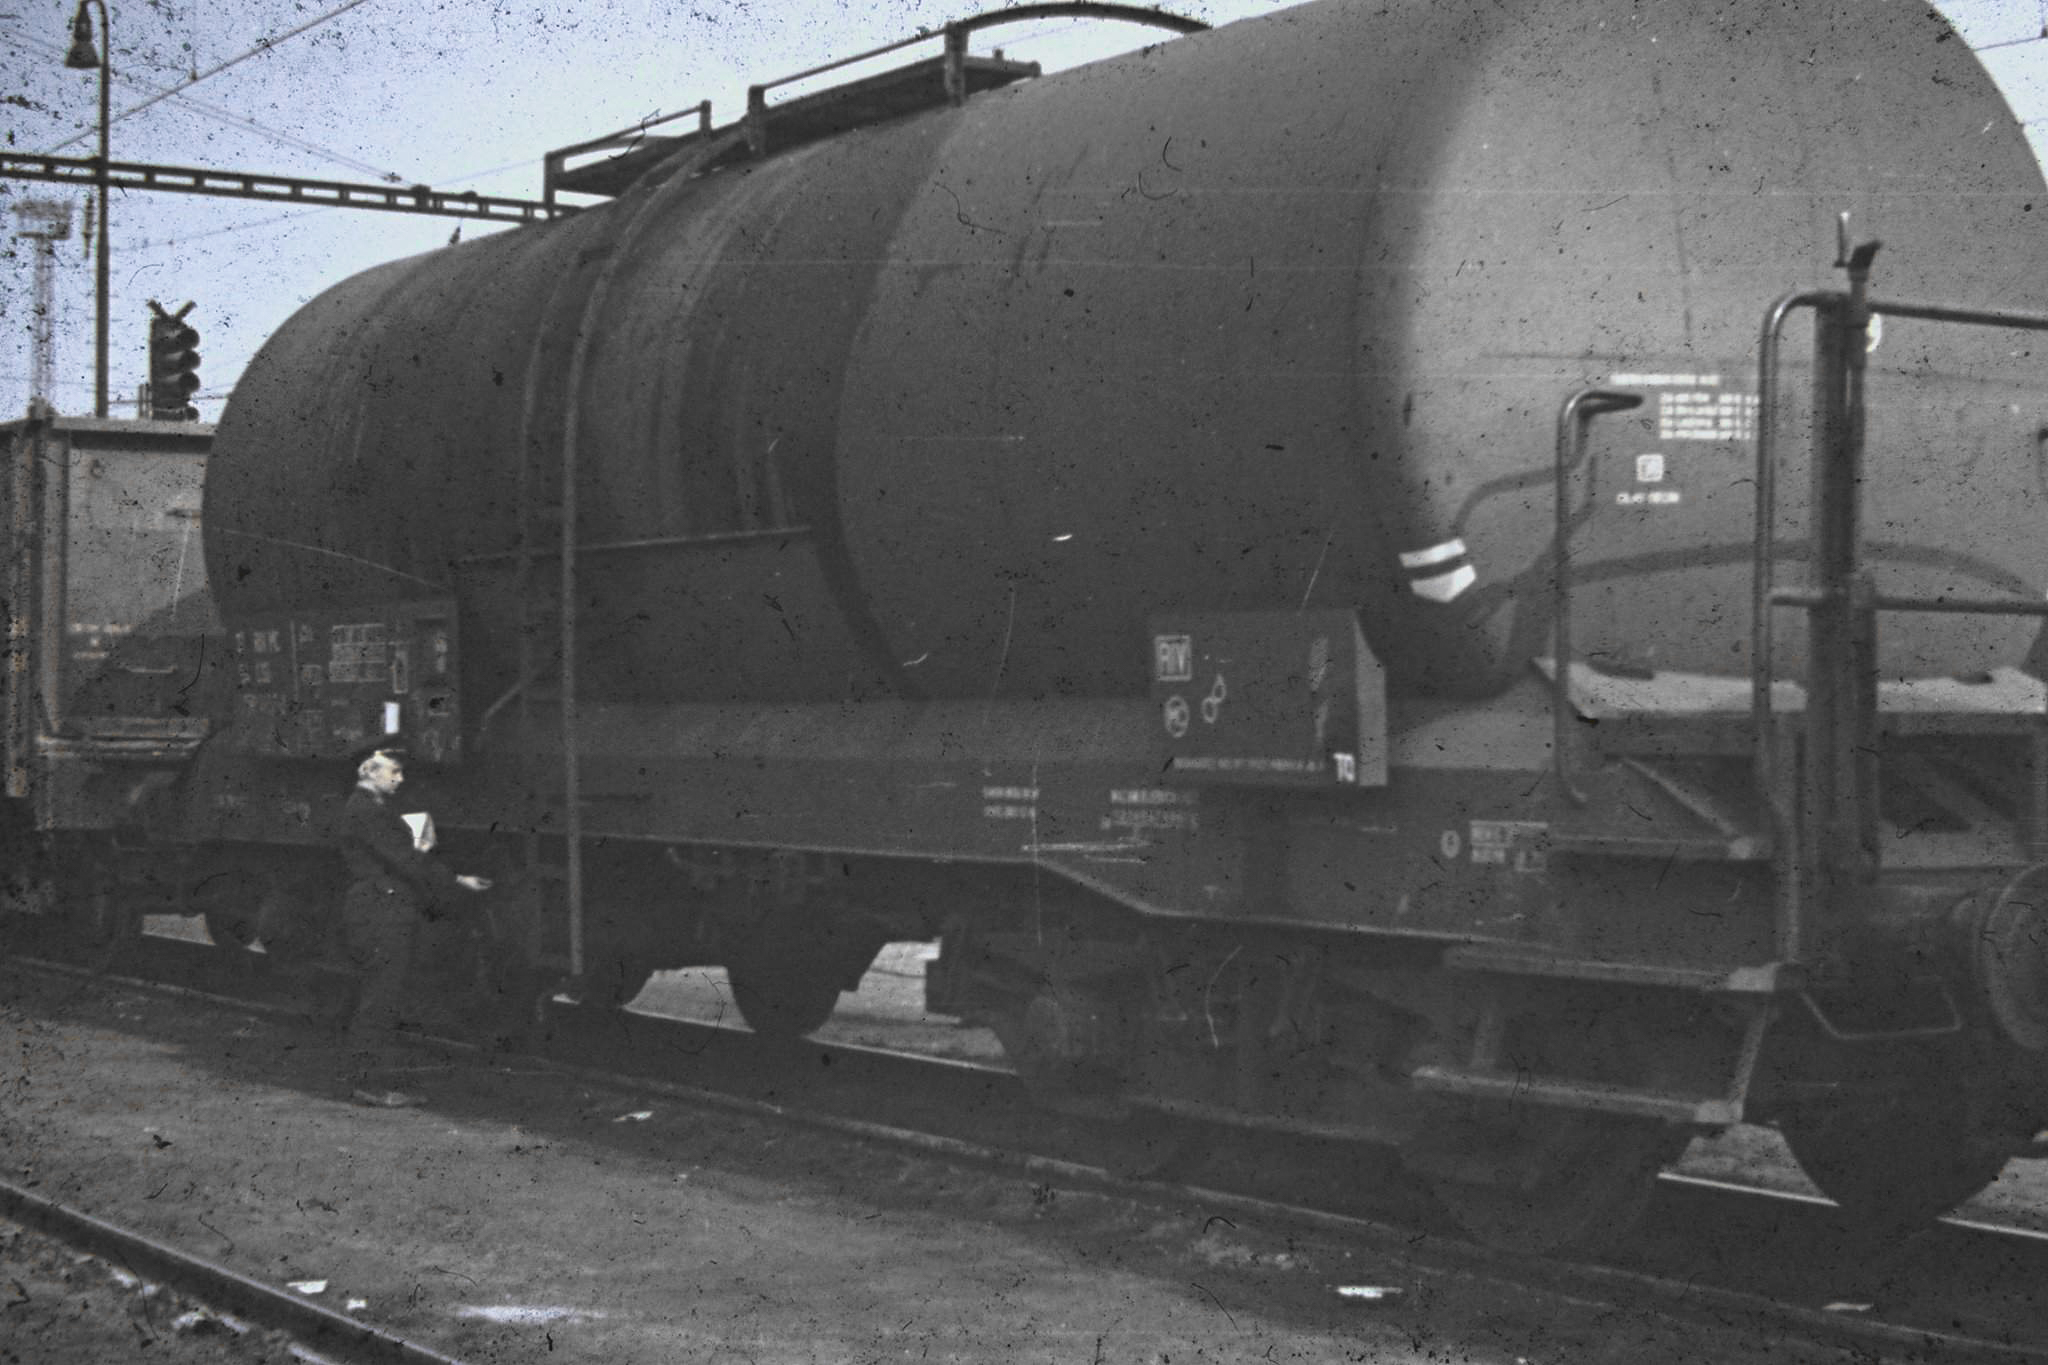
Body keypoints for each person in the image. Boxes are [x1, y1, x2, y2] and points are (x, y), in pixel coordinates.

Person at [336, 744, 490, 1108]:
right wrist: (456, 880)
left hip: (379, 907)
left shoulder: (369, 808)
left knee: (380, 995)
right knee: (380, 998)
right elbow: (404, 859)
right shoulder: (367, 812)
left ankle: (368, 1080)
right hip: (380, 910)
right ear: (370, 771)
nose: (400, 778)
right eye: (393, 771)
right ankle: (368, 1085)